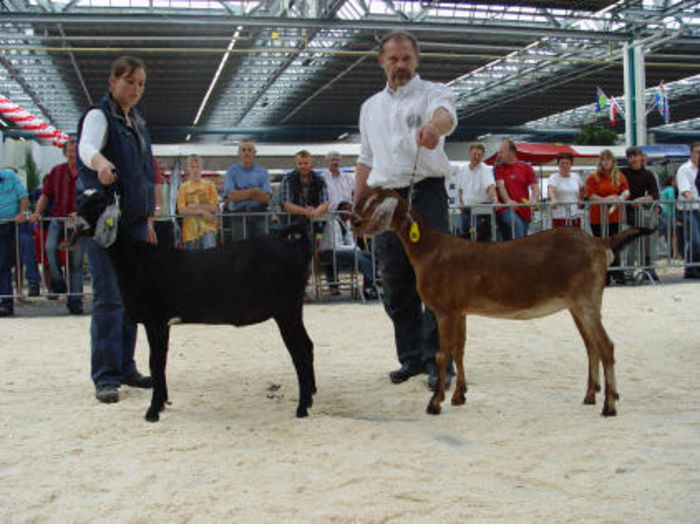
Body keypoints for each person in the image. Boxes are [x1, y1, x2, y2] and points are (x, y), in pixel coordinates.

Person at [353, 30, 457, 390]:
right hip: (383, 199)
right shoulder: (369, 107)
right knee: (395, 282)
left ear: (417, 60)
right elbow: (366, 159)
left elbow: (446, 116)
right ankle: (411, 359)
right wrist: (357, 204)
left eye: (406, 58)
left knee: (435, 281)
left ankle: (439, 359)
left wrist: (433, 127)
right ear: (382, 62)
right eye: (393, 59)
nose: (400, 65)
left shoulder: (433, 93)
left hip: (425, 193)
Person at [77, 55, 155, 404]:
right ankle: (106, 376)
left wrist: (150, 220)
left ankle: (126, 366)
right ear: (113, 81)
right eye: (130, 82)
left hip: (136, 222)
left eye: (140, 84)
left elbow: (146, 175)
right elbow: (86, 147)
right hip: (106, 220)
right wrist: (101, 162)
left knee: (132, 299)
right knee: (109, 299)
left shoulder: (138, 123)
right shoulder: (98, 115)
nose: (136, 89)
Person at [29, 140, 85, 314]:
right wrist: (37, 212)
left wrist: (81, 212)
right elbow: (46, 195)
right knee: (50, 247)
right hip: (58, 218)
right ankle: (57, 280)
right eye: (69, 151)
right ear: (64, 153)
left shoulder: (87, 173)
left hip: (79, 222)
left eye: (75, 151)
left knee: (75, 262)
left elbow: (93, 197)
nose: (72, 154)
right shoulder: (56, 171)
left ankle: (75, 301)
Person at [0, 168, 42, 316]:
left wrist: (22, 214)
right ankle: (6, 302)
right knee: (3, 264)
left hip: (13, 223)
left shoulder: (9, 176)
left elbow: (23, 197)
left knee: (6, 262)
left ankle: (8, 301)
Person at [585, 149, 630, 285]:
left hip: (614, 216)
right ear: (600, 162)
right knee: (600, 246)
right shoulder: (593, 177)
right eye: (603, 160)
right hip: (598, 216)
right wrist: (605, 200)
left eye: (608, 159)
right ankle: (603, 275)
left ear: (612, 161)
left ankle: (616, 272)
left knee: (614, 245)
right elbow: (590, 195)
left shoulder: (619, 176)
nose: (606, 162)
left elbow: (626, 190)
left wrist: (620, 197)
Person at [318, 201, 377, 300]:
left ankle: (370, 285)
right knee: (357, 255)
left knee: (366, 255)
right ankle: (369, 287)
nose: (349, 213)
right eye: (347, 210)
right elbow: (335, 246)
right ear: (340, 211)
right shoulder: (333, 222)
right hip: (328, 252)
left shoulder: (345, 224)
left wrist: (356, 248)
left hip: (339, 251)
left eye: (350, 210)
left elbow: (350, 242)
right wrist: (355, 249)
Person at [621, 146, 660, 281]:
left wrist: (646, 199)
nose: (632, 159)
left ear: (640, 157)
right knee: (629, 243)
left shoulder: (648, 175)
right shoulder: (623, 173)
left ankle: (648, 268)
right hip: (626, 213)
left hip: (642, 212)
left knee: (647, 241)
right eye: (630, 156)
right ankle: (628, 271)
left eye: (635, 156)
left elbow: (655, 193)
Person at [223, 140, 272, 241]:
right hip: (238, 215)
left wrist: (240, 193)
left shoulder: (263, 172)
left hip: (259, 215)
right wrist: (254, 191)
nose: (246, 153)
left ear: (254, 153)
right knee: (241, 250)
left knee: (262, 248)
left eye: (249, 150)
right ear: (239, 153)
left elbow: (266, 197)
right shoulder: (231, 171)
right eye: (243, 150)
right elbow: (231, 197)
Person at [495, 139, 540, 240]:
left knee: (522, 233)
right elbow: (501, 186)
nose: (499, 154)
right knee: (517, 227)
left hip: (524, 209)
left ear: (511, 152)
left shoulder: (526, 167)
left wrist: (534, 199)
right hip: (507, 209)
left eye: (502, 152)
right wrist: (508, 201)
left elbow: (535, 187)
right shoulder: (499, 169)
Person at [456, 143, 498, 241]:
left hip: (483, 209)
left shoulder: (486, 169)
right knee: (465, 238)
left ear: (482, 156)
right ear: (469, 154)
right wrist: (461, 202)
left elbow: (491, 187)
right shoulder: (463, 170)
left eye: (479, 155)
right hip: (466, 209)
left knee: (482, 239)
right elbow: (460, 190)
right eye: (474, 154)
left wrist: (495, 199)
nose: (476, 157)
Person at [280, 149, 329, 234]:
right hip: (291, 224)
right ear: (296, 165)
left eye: (306, 163)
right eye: (300, 164)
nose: (303, 166)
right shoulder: (288, 179)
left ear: (311, 164)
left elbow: (325, 203)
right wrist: (305, 212)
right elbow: (286, 204)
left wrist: (315, 212)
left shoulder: (320, 179)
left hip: (316, 223)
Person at [177, 154, 219, 250]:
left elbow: (215, 207)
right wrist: (202, 211)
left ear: (201, 168)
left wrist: (194, 206)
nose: (195, 170)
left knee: (209, 258)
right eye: (192, 167)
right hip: (189, 232)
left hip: (208, 228)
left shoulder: (210, 185)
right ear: (188, 169)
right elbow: (181, 210)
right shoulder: (183, 187)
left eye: (197, 167)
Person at [676, 142, 700, 279]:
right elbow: (685, 191)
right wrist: (692, 198)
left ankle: (693, 267)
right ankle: (692, 267)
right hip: (688, 209)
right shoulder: (684, 169)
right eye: (697, 152)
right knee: (696, 240)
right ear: (691, 153)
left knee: (695, 240)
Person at [547, 152, 584, 229]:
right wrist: (553, 199)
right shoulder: (553, 177)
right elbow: (551, 189)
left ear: (571, 164)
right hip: (559, 215)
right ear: (558, 165)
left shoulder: (576, 176)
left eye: (567, 163)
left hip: (574, 213)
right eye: (562, 163)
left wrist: (580, 200)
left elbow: (582, 189)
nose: (565, 166)